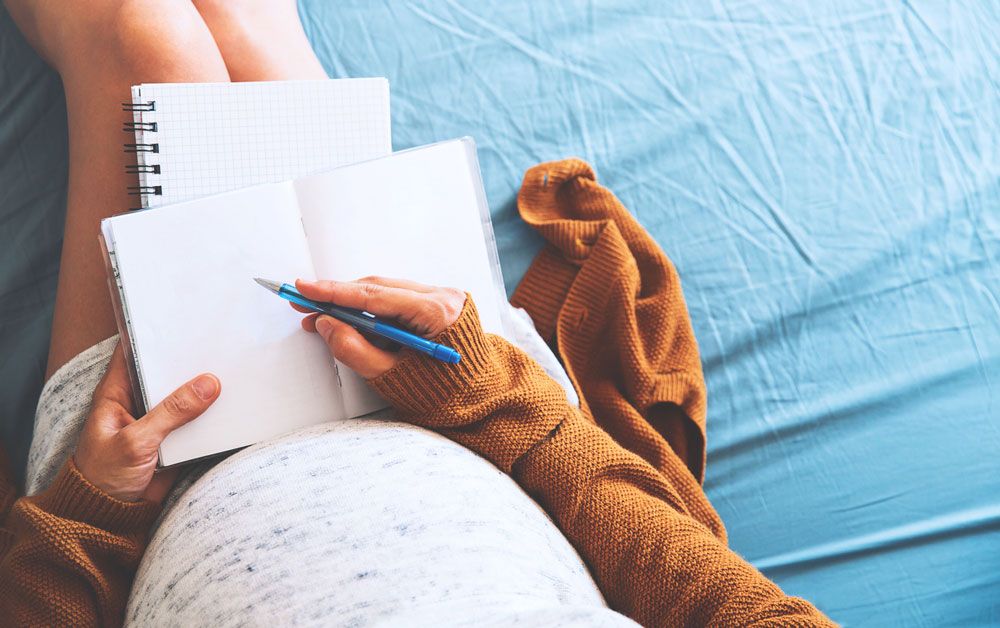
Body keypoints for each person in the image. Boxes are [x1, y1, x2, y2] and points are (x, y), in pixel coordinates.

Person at [0, 1, 835, 626]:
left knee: (144, 37)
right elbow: (709, 589)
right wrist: (491, 392)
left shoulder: (109, 500)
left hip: (144, 466)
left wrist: (90, 515)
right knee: (244, 22)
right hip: (455, 397)